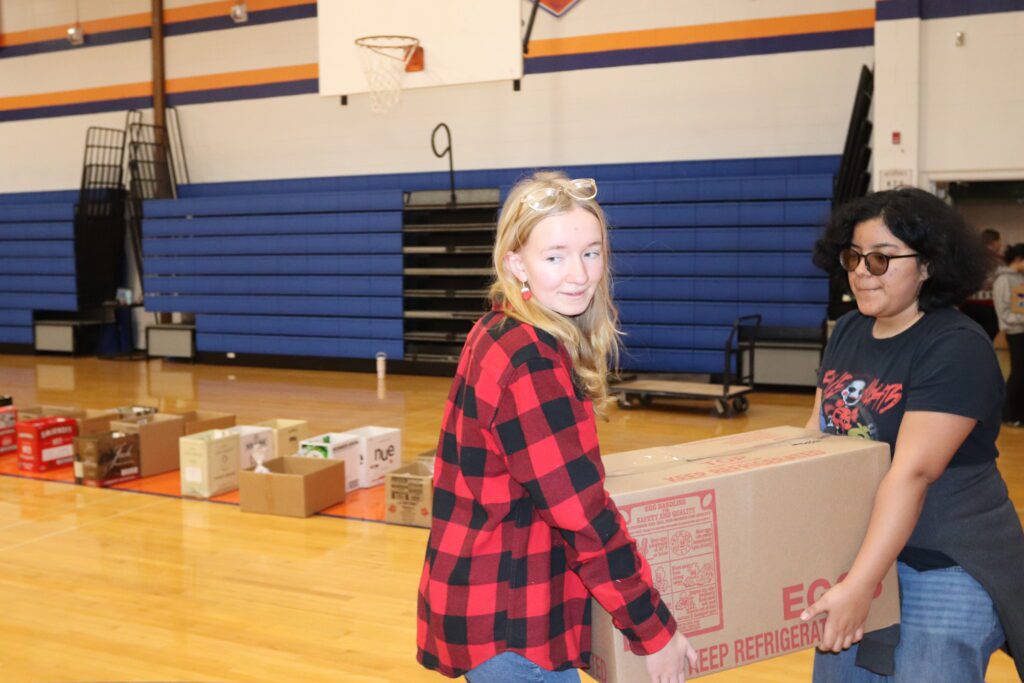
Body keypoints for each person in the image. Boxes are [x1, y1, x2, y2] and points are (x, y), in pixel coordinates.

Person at [416, 172, 697, 682]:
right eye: (555, 256)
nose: (579, 275)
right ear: (515, 263)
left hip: (497, 601)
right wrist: (653, 631)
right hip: (511, 626)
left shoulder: (497, 328)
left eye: (592, 253)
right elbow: (583, 518)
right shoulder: (531, 361)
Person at [803, 187, 1024, 683]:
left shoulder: (955, 346)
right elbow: (815, 436)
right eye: (854, 256)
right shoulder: (849, 331)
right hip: (863, 548)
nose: (861, 271)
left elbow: (912, 474)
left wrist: (862, 584)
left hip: (943, 562)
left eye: (882, 259)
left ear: (927, 266)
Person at [993, 243, 1024, 426]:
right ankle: (1008, 414)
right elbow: (1004, 313)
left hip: (1022, 330)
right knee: (1018, 373)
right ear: (1019, 259)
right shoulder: (1003, 280)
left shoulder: (1019, 278)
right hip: (1015, 332)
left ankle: (1020, 414)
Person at [960, 228, 1003, 340]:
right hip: (990, 305)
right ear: (995, 242)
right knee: (987, 337)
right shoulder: (999, 261)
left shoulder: (967, 258)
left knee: (969, 337)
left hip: (968, 305)